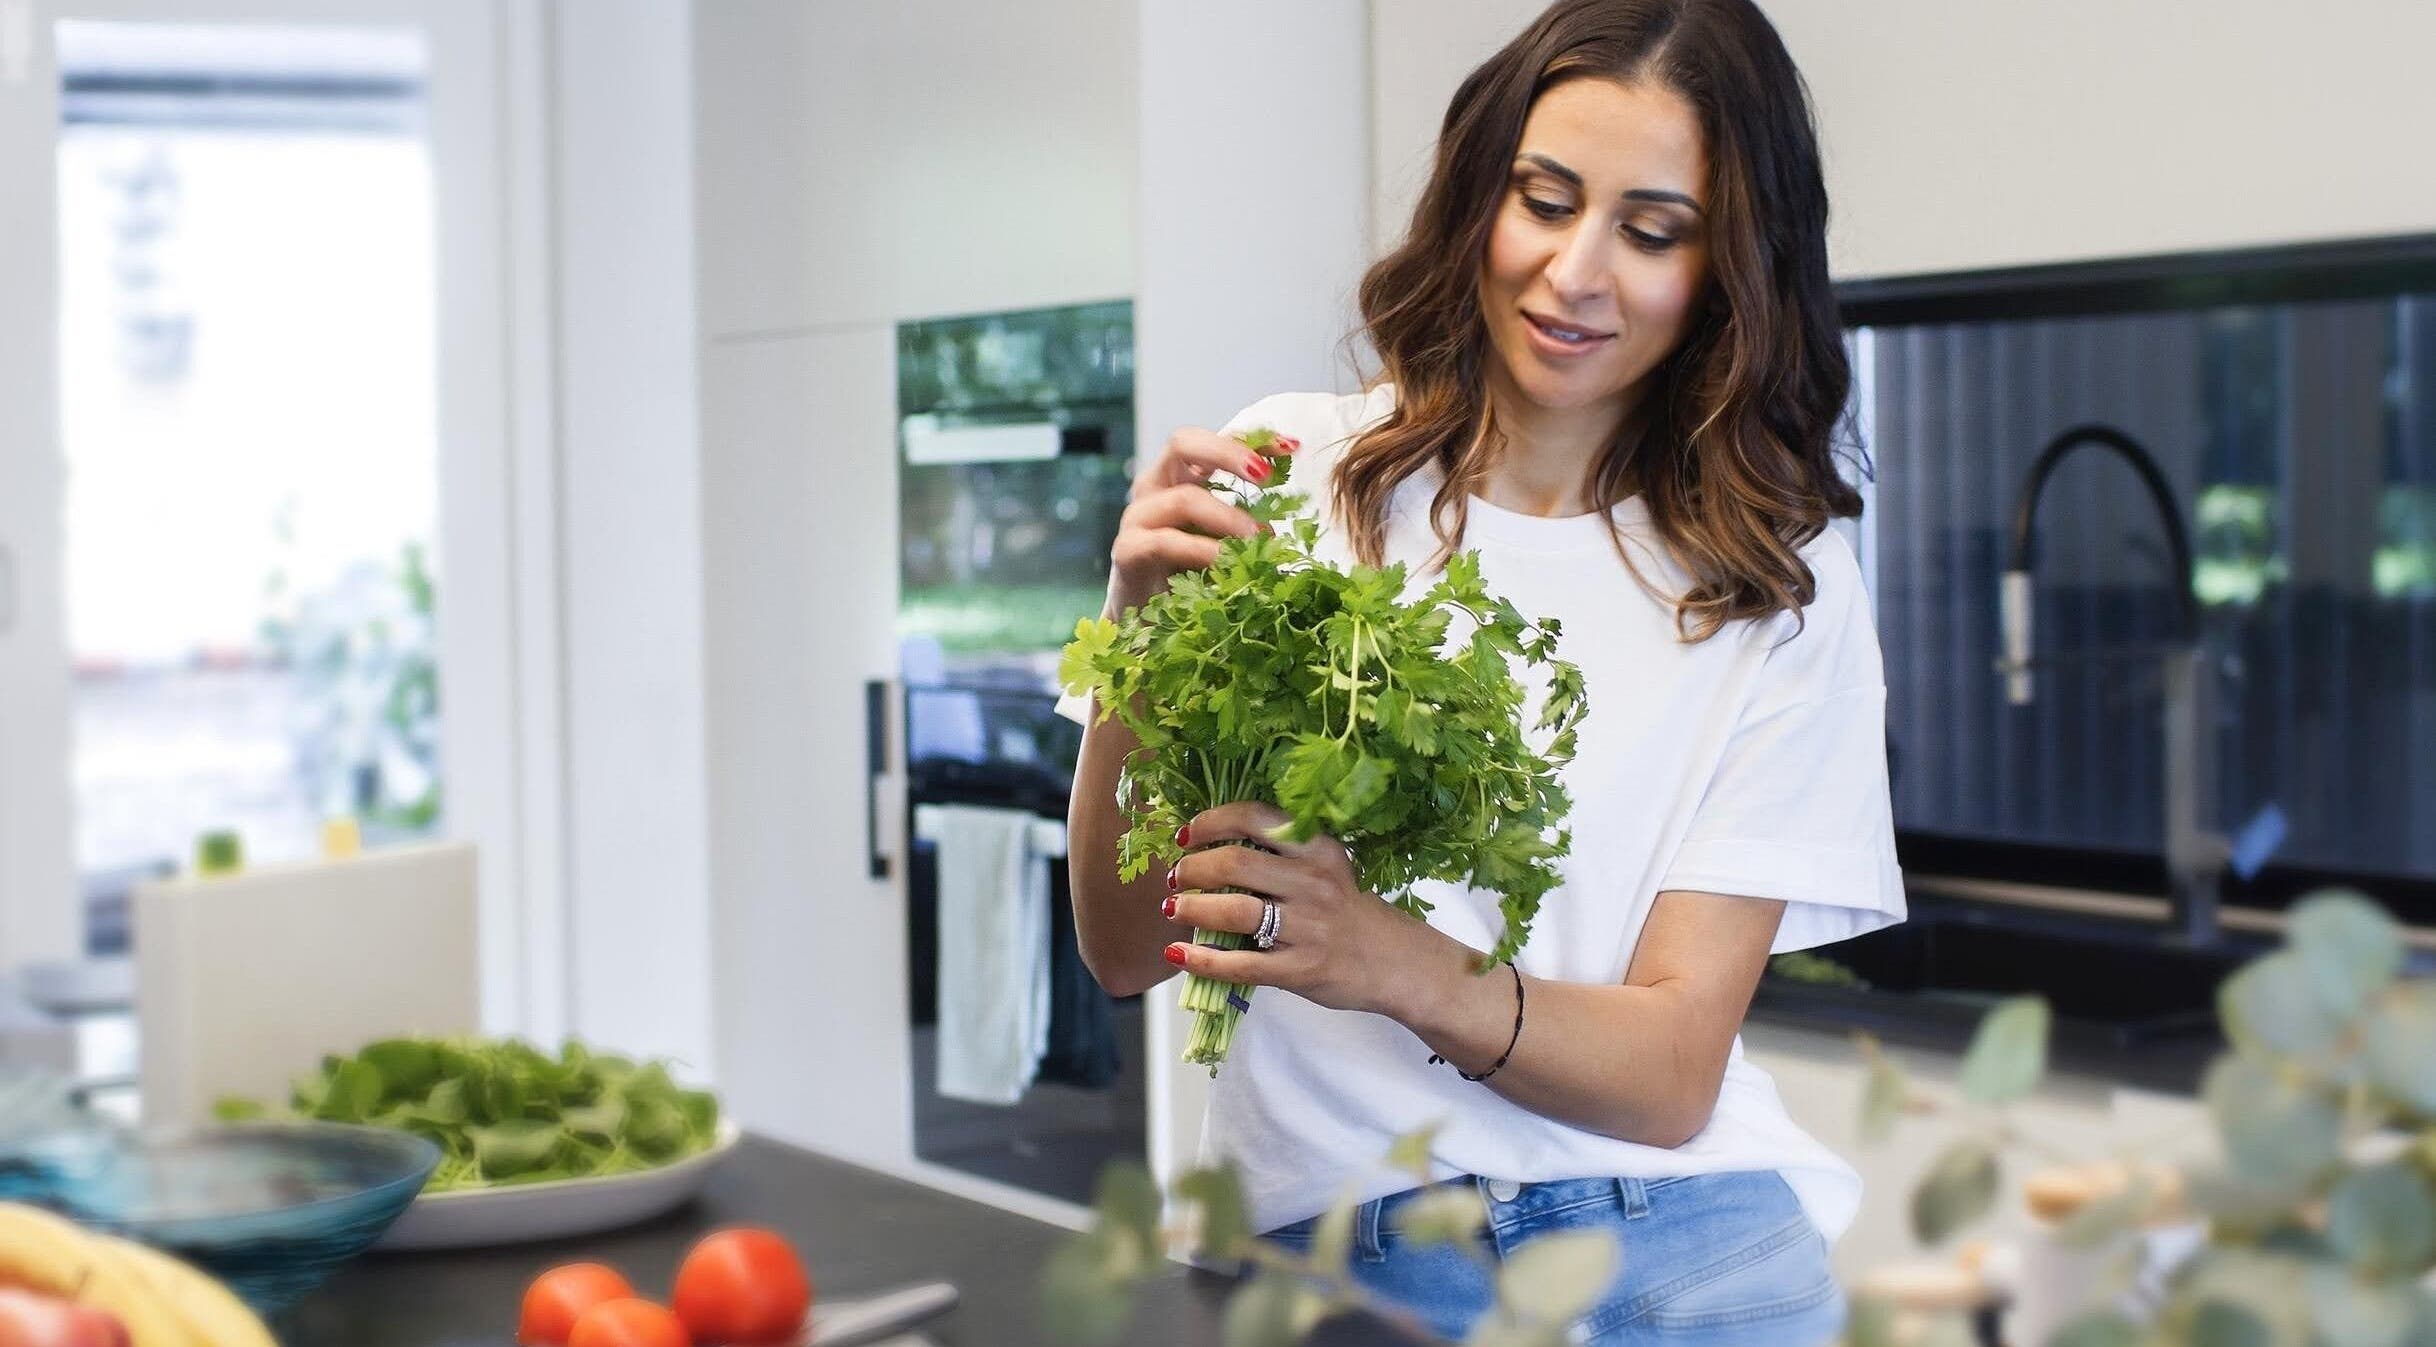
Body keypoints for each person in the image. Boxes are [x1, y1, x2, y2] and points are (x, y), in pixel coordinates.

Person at [1063, 0, 1903, 1340]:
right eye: (1546, 199)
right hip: (1342, 1263)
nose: (1575, 271)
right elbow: (1120, 950)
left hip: (1693, 1259)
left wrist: (1390, 960)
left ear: (1728, 267)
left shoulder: (1776, 580)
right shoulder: (1297, 473)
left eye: (1650, 230)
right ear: (1480, 197)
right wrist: (1141, 643)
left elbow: (1676, 1072)